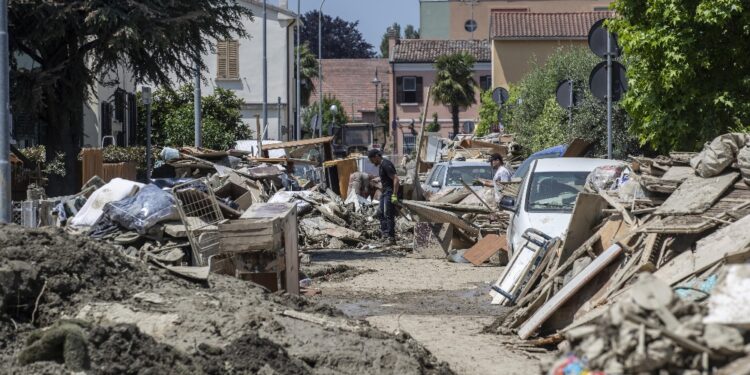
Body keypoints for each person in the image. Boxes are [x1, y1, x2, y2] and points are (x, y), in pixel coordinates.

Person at [367, 149, 399, 244]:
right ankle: (385, 235)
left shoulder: (386, 164)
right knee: (380, 213)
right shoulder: (381, 165)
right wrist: (378, 180)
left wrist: (394, 195)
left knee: (389, 214)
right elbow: (386, 178)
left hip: (389, 192)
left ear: (377, 156)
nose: (372, 162)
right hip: (384, 192)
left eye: (372, 160)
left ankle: (391, 238)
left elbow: (396, 179)